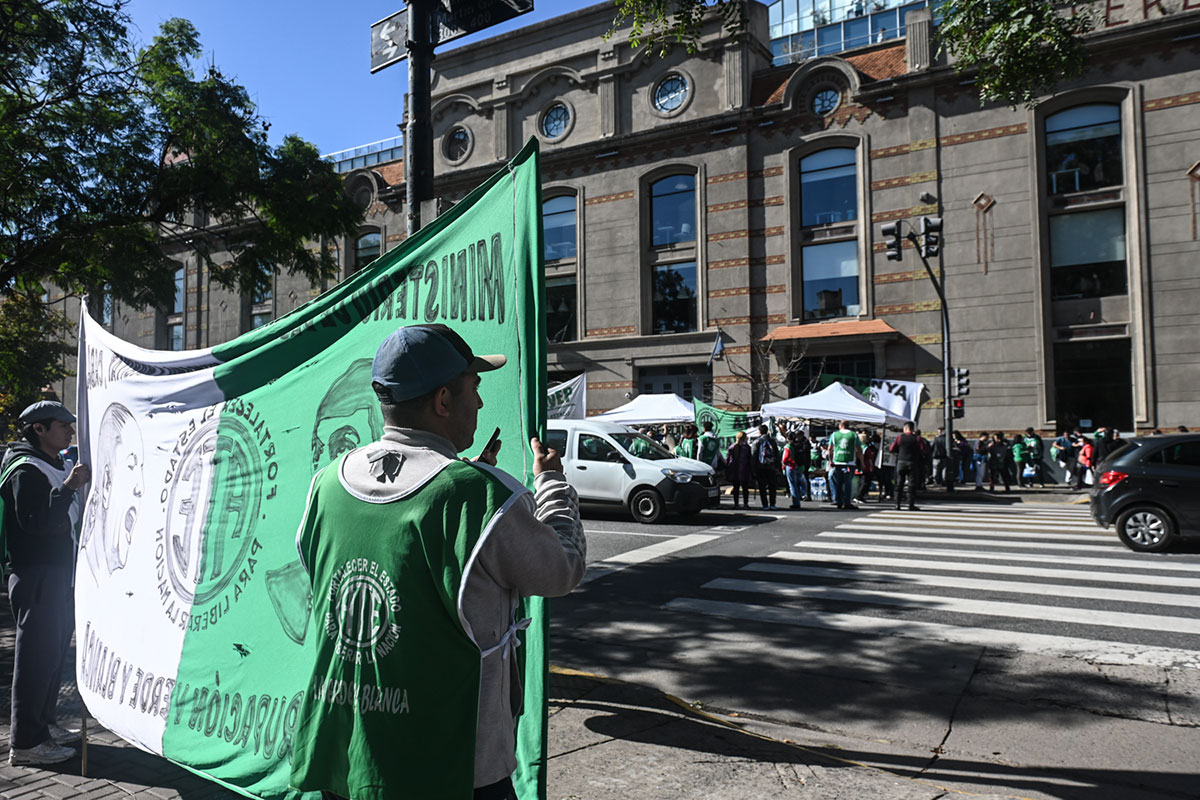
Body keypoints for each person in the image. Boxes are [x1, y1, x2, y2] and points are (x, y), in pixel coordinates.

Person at [288, 324, 586, 800]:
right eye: (474, 387)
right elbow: (562, 568)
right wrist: (550, 483)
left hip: (346, 757)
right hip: (451, 768)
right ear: (444, 400)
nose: (481, 403)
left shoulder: (325, 484)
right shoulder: (479, 496)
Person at [1, 401, 90, 766]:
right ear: (38, 429)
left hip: (58, 574)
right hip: (37, 575)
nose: (70, 431)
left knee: (51, 655)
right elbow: (37, 523)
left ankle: (43, 725)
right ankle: (26, 743)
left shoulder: (54, 463)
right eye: (62, 425)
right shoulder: (26, 469)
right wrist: (68, 487)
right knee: (36, 659)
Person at [888, 423, 923, 511]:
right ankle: (911, 505)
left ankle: (897, 504)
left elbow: (891, 449)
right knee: (912, 484)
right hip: (912, 462)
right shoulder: (917, 438)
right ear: (913, 429)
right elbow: (924, 449)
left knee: (899, 483)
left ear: (905, 428)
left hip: (901, 462)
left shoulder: (900, 437)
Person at [828, 420, 861, 510]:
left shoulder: (834, 434)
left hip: (838, 461)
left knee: (839, 482)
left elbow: (830, 448)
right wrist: (862, 462)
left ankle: (839, 501)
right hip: (850, 462)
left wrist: (830, 460)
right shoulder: (854, 435)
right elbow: (859, 449)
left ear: (840, 425)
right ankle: (847, 502)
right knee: (848, 483)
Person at [751, 425, 781, 510]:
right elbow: (777, 455)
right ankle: (772, 504)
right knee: (772, 486)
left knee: (762, 487)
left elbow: (753, 456)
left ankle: (765, 505)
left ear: (760, 432)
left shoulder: (757, 442)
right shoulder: (772, 441)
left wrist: (753, 470)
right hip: (771, 467)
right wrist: (778, 467)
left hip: (760, 467)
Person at [725, 431, 754, 510]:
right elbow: (750, 459)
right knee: (745, 488)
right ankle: (745, 504)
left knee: (736, 488)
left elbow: (727, 459)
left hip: (734, 470)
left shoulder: (732, 446)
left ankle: (736, 504)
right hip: (744, 470)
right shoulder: (747, 447)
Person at [782, 432, 809, 510]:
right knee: (798, 483)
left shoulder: (788, 446)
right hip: (799, 467)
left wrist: (785, 463)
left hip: (791, 466)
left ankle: (796, 502)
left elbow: (785, 458)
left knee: (792, 485)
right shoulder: (798, 445)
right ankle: (802, 495)